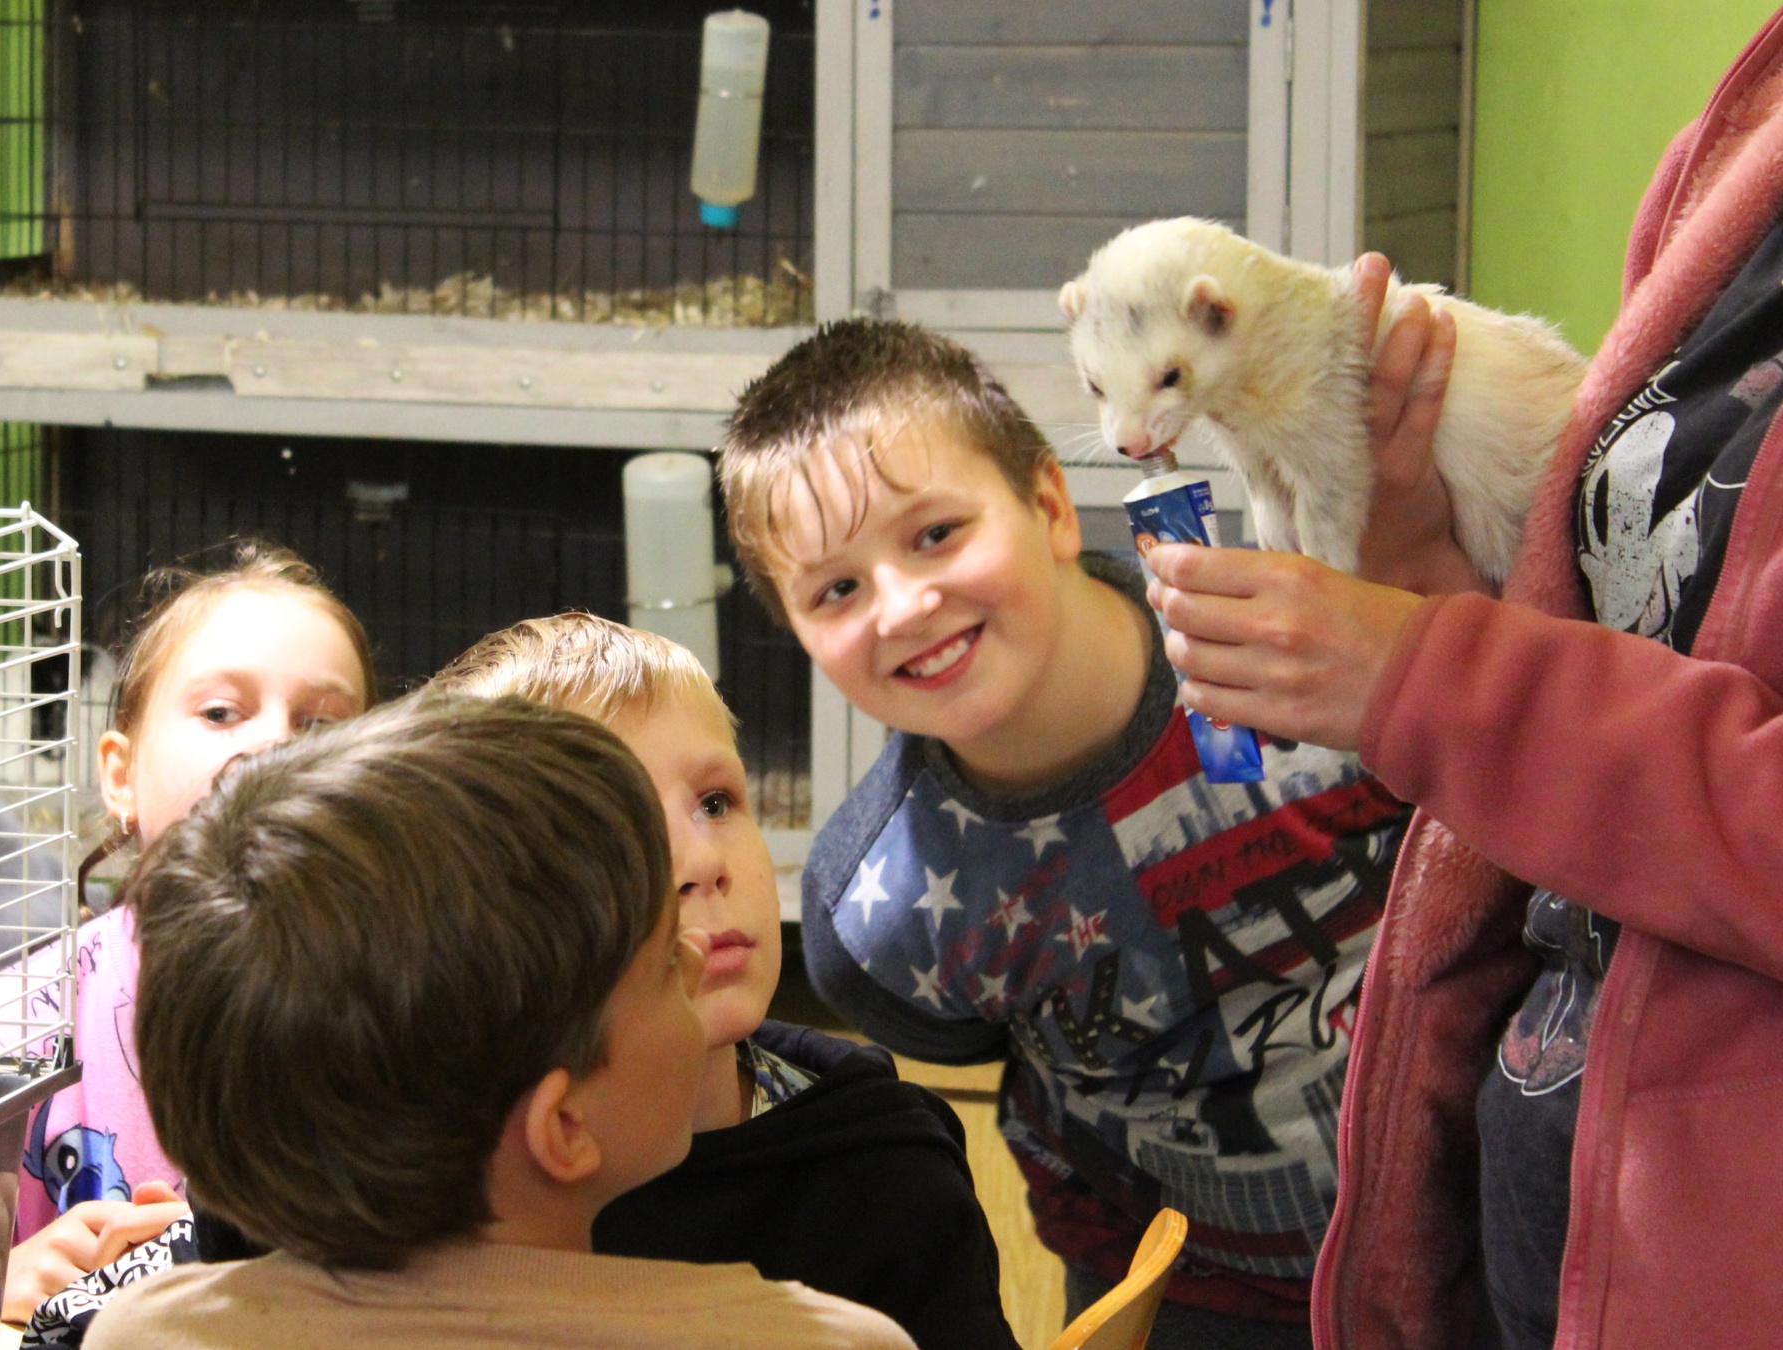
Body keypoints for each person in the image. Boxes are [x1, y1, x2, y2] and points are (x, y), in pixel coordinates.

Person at [1144, 11, 1783, 1347]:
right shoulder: (1742, 143)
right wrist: (1434, 574)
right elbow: (1633, 636)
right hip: (1556, 1215)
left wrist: (1428, 672)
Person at [717, 318, 1416, 1347]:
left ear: (1048, 506)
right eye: (836, 590)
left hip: (1481, 1221)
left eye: (935, 533)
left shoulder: (1301, 638)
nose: (902, 607)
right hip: (1187, 1295)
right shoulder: (877, 915)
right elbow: (971, 1040)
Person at [80, 696, 915, 1350]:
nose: (695, 962)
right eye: (666, 962)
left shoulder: (145, 1334)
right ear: (564, 1126)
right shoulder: (826, 1342)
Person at [432, 612, 1018, 1350]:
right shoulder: (438, 1174)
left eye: (715, 803)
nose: (704, 863)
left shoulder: (884, 1173)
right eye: (624, 830)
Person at [0, 543, 377, 1326]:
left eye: (319, 723)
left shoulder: (410, 1007)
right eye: (221, 713)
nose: (271, 745)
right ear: (120, 775)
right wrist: (6, 1271)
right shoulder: (23, 1013)